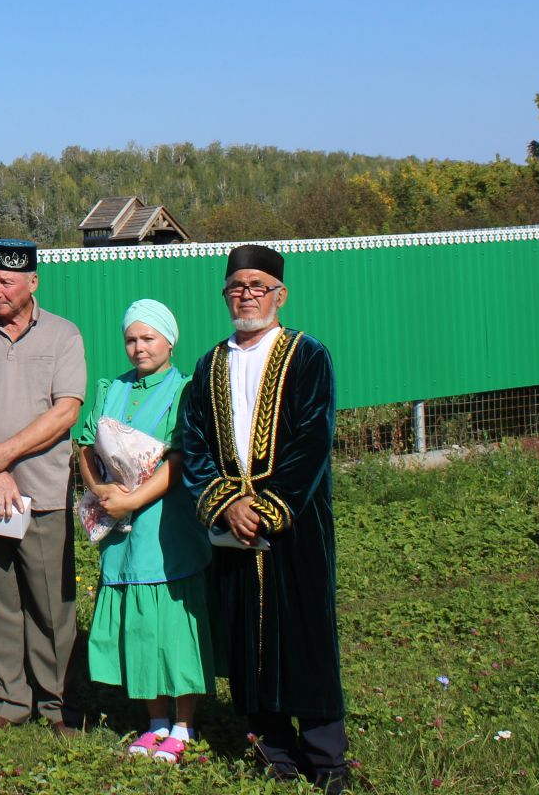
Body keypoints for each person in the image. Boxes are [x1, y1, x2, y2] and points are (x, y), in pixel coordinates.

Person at [178, 244, 349, 792]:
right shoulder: (209, 365)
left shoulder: (307, 355)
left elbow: (311, 441)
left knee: (306, 634)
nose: (246, 295)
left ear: (280, 294)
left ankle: (327, 759)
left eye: (257, 286)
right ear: (224, 294)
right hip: (232, 526)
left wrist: (269, 508)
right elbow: (195, 442)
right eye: (237, 287)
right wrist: (226, 504)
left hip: (295, 524)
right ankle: (274, 749)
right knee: (247, 637)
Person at [0, 239, 87, 736]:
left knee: (52, 602)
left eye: (6, 281)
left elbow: (66, 411)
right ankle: (8, 701)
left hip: (44, 491)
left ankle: (57, 704)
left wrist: (5, 456)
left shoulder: (63, 336)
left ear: (33, 282)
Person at [74, 299, 214, 761]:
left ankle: (183, 723)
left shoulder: (184, 390)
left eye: (148, 338)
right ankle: (154, 720)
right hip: (118, 523)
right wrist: (101, 492)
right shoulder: (111, 388)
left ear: (169, 340)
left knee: (171, 622)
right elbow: (86, 446)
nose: (138, 348)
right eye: (131, 339)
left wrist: (133, 498)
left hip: (163, 525)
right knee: (137, 622)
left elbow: (179, 458)